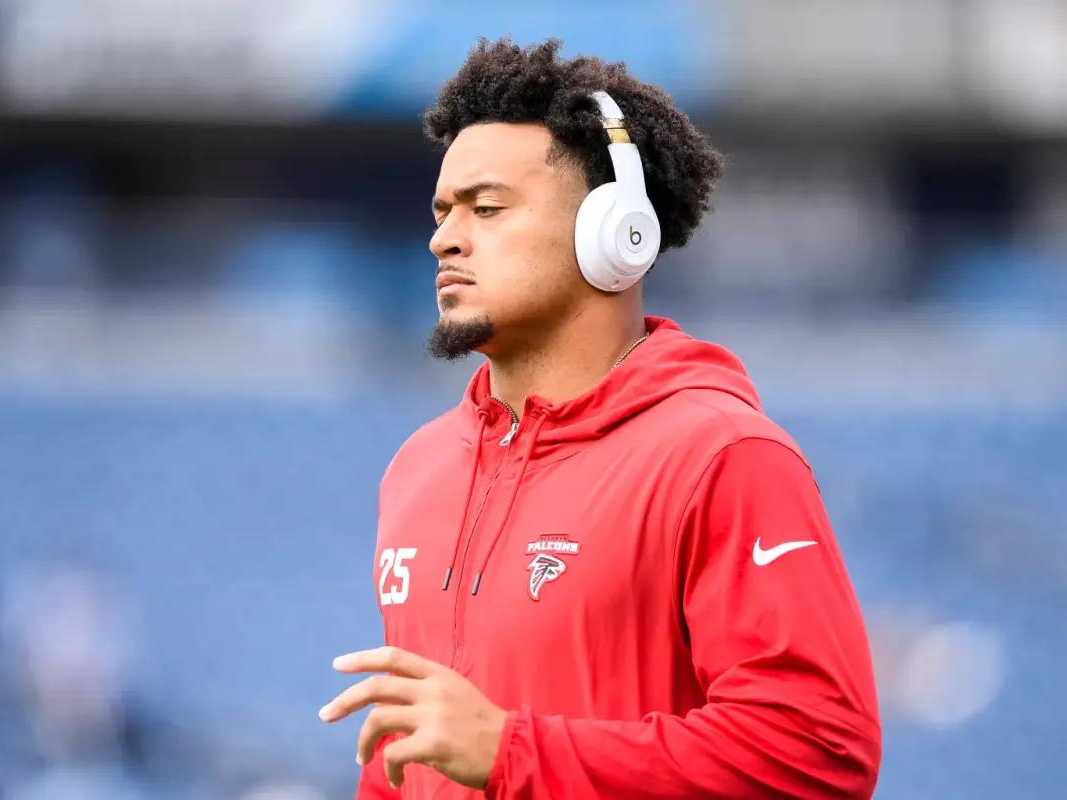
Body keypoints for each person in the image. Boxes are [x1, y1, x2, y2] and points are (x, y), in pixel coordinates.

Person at [319, 38, 880, 798]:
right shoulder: (417, 468)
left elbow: (818, 749)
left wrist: (513, 751)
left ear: (617, 232)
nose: (444, 237)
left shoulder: (723, 456)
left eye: (486, 208)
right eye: (444, 211)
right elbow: (414, 765)